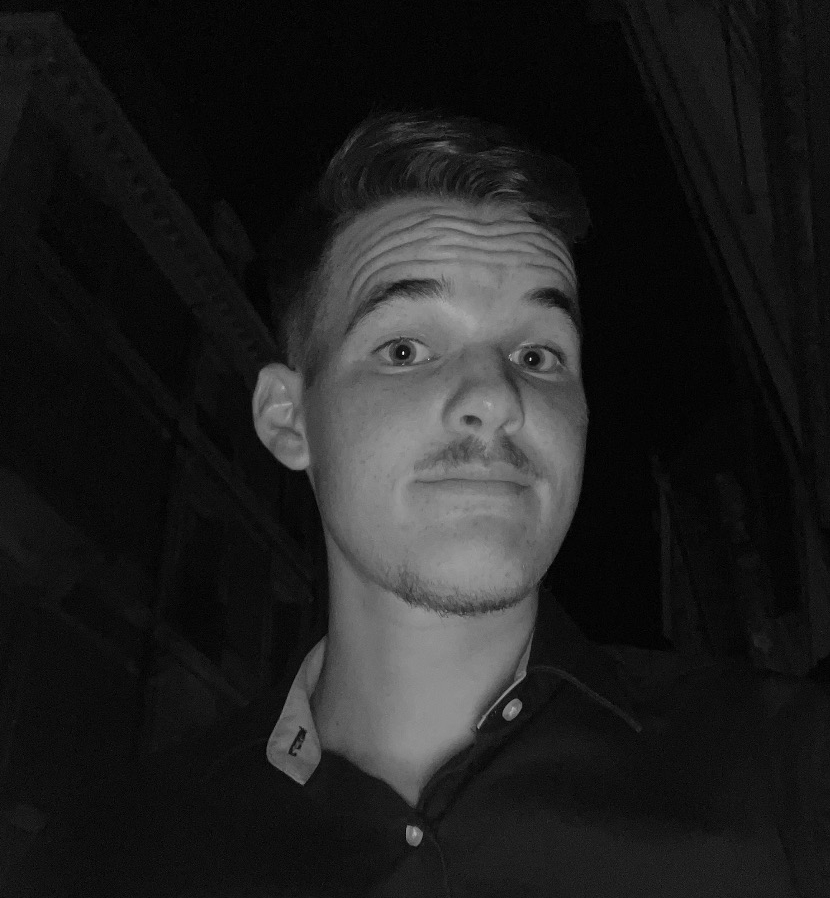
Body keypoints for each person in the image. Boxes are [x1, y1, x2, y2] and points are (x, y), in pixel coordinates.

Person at [5, 112, 830, 897]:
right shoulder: (108, 861)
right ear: (289, 420)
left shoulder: (786, 769)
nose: (496, 397)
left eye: (538, 355)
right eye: (405, 349)